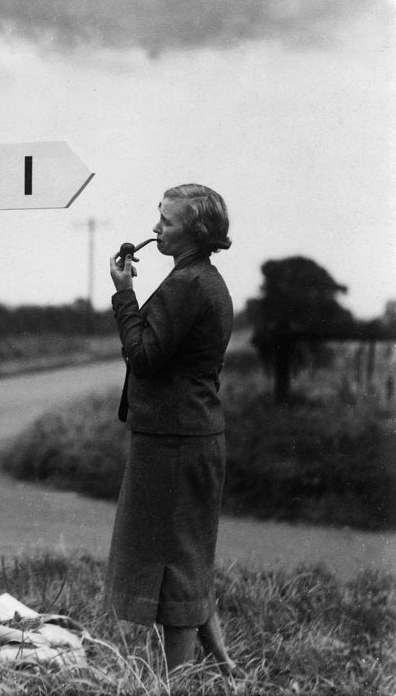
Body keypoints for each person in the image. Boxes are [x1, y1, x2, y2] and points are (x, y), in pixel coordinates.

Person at [106, 183, 242, 679]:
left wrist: (124, 295)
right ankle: (227, 672)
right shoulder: (205, 279)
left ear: (196, 230)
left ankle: (175, 685)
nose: (156, 228)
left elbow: (143, 357)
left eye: (166, 220)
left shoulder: (188, 284)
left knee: (177, 569)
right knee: (187, 560)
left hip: (174, 441)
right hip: (190, 435)